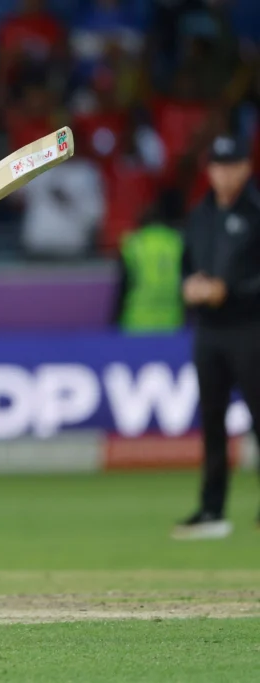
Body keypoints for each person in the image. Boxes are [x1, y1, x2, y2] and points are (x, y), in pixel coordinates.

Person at [172, 134, 260, 541]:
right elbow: (187, 264)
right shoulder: (200, 215)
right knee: (211, 421)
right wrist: (189, 287)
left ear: (245, 167)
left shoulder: (256, 211)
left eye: (231, 165)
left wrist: (232, 290)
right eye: (217, 166)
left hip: (250, 328)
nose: (223, 173)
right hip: (209, 331)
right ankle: (212, 510)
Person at [112, 191, 185, 334]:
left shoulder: (133, 244)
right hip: (172, 322)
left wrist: (114, 319)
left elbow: (123, 285)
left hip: (137, 321)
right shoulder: (176, 242)